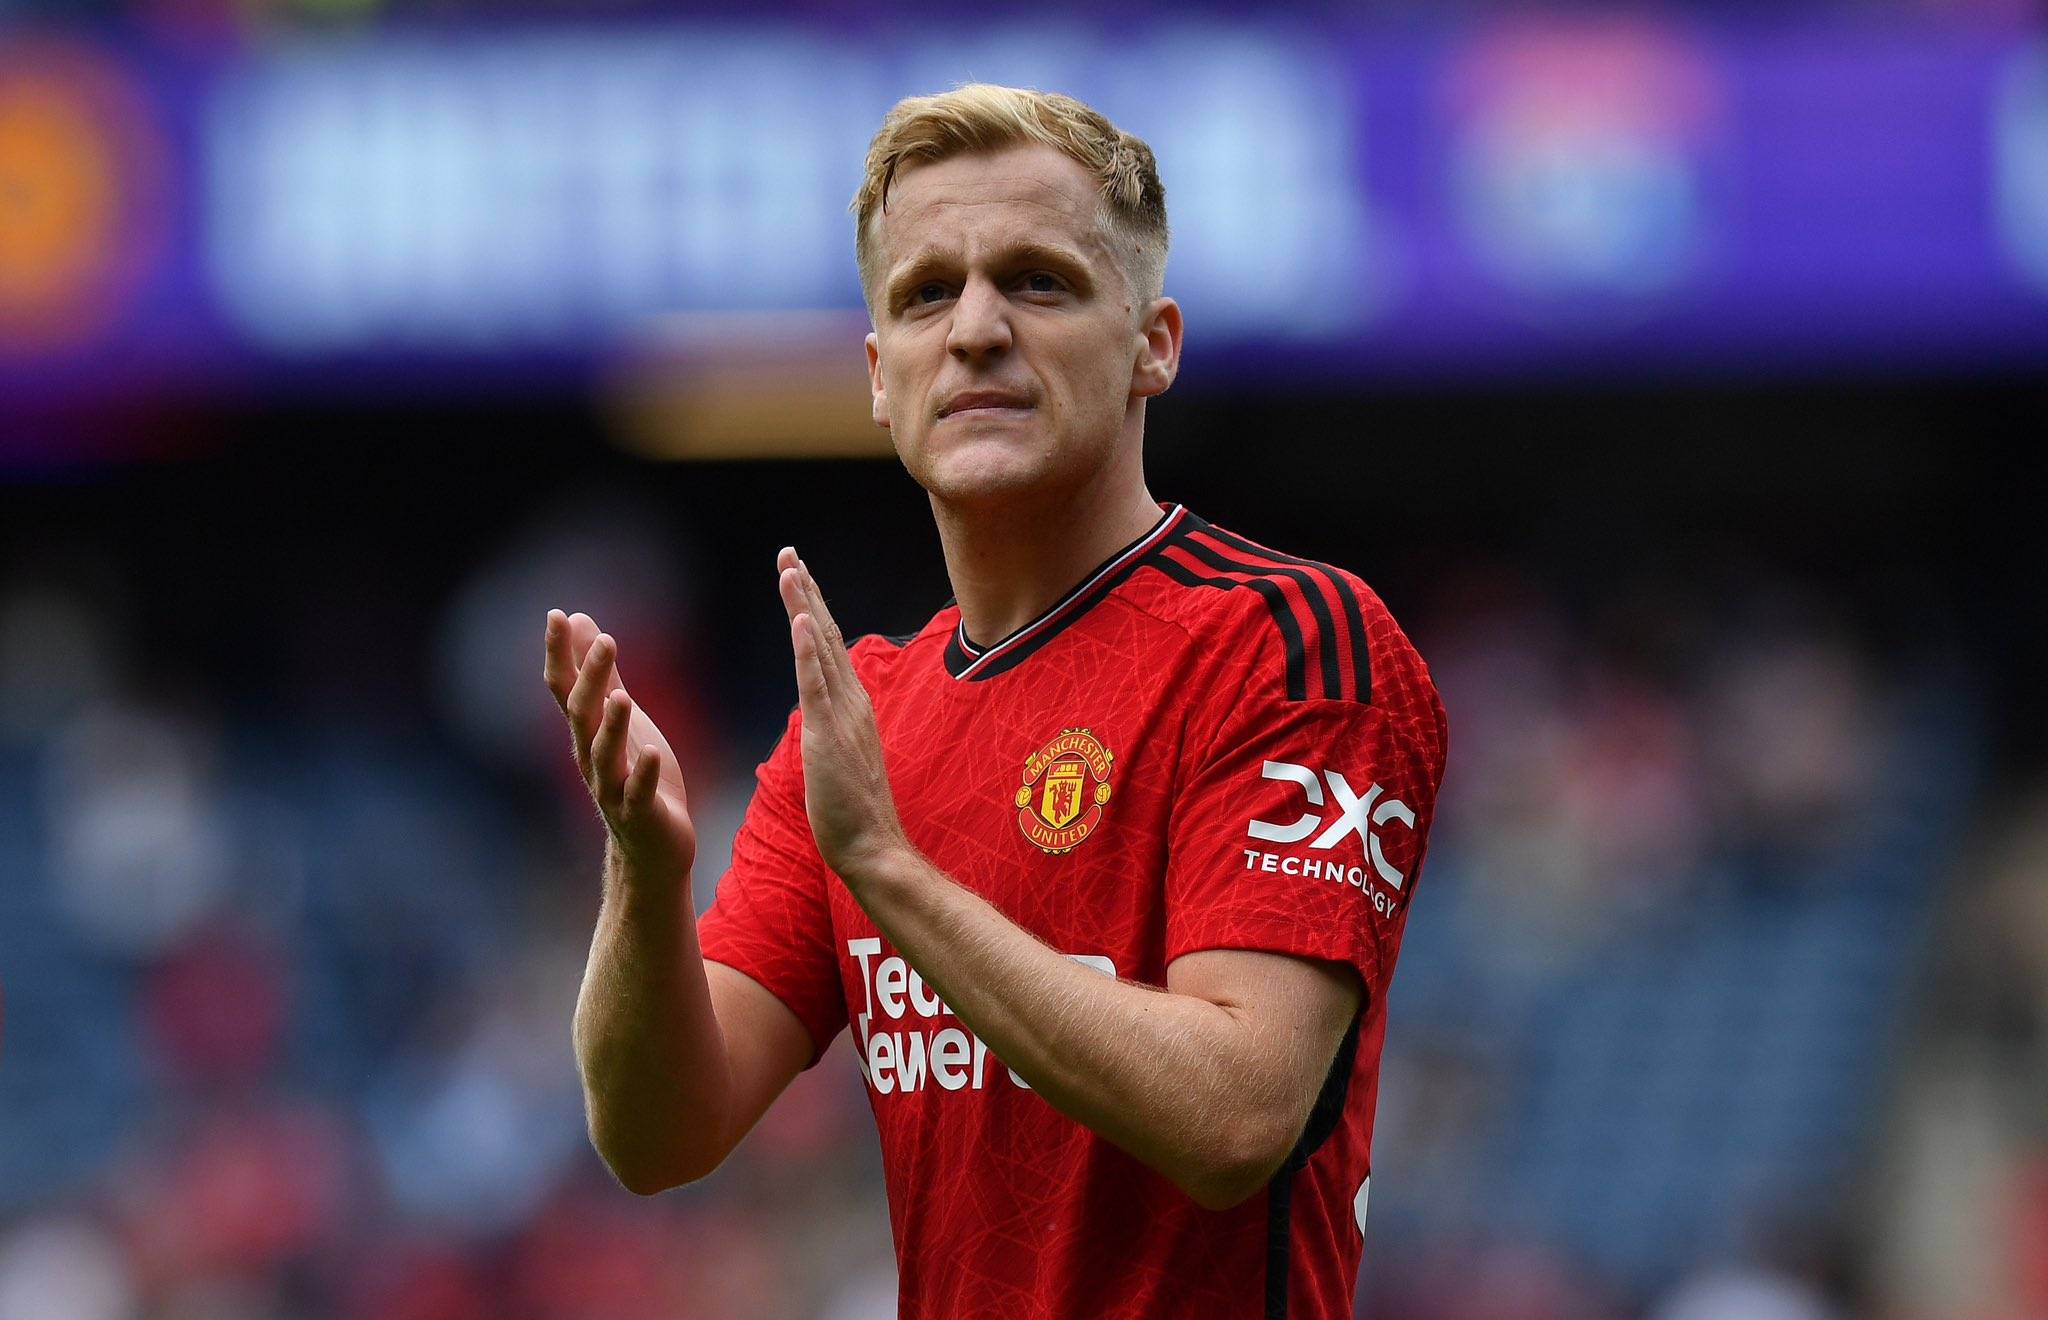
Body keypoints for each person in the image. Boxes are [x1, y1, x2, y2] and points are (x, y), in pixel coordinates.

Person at [543, 84, 1447, 1319]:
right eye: (926, 293)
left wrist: (890, 872)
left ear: (1152, 345)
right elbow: (657, 1137)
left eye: (1036, 281)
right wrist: (644, 874)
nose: (974, 329)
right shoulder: (858, 721)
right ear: (880, 376)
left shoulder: (1284, 644)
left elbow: (1236, 1118)